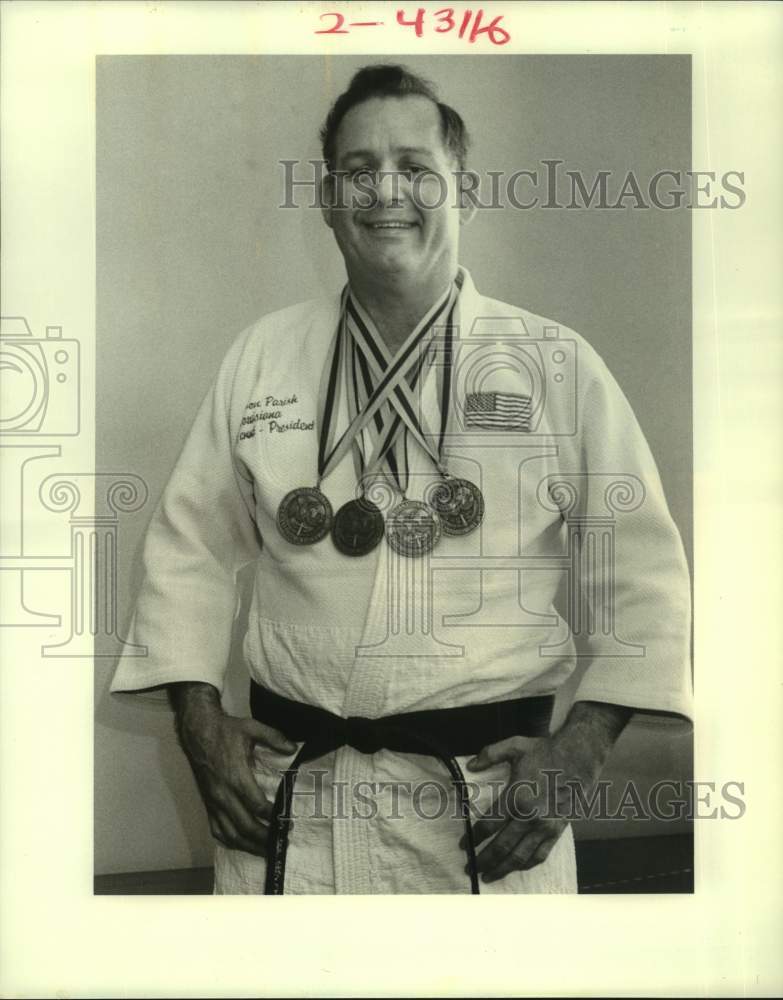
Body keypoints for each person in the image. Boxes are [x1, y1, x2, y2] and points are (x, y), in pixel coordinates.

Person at [111, 64, 692, 894]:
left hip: (483, 809)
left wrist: (582, 745)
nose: (386, 190)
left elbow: (643, 572)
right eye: (358, 169)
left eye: (416, 167)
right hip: (291, 802)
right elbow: (187, 552)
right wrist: (201, 729)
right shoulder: (264, 356)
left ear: (466, 190)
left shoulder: (555, 365)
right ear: (327, 197)